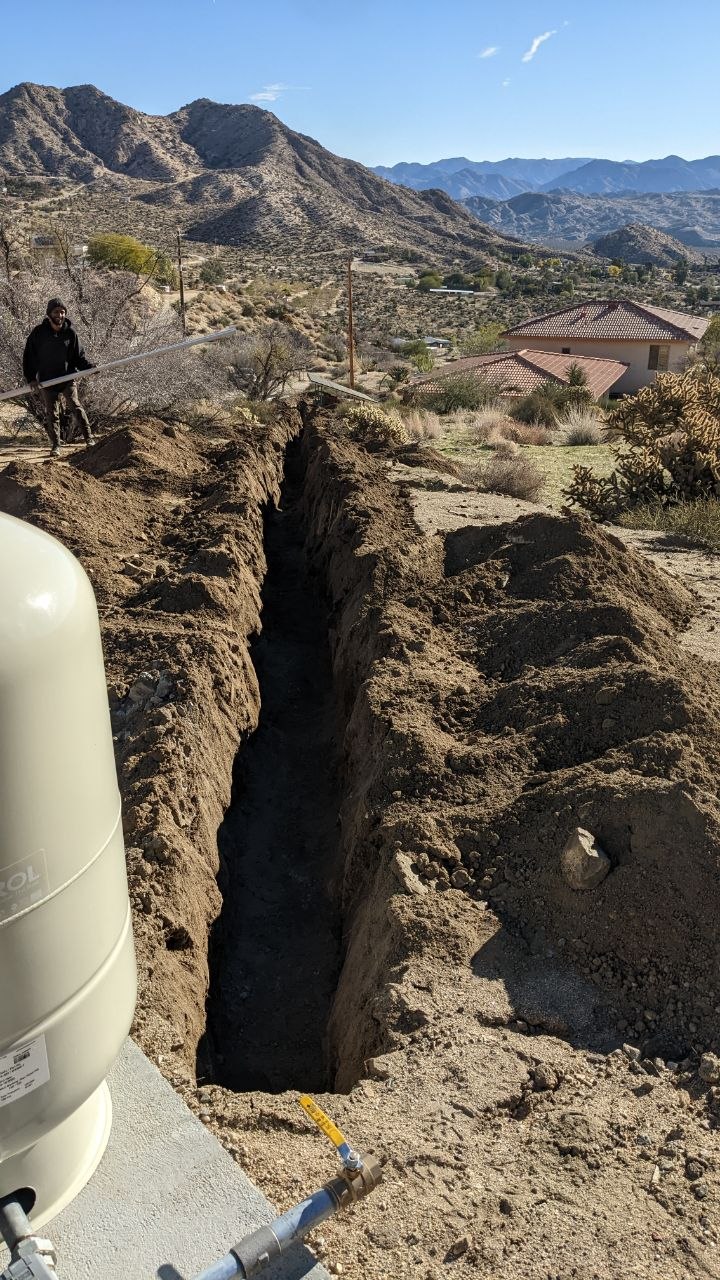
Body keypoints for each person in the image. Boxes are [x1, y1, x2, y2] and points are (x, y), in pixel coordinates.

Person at [23, 299, 95, 456]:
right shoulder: (39, 333)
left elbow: (79, 357)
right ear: (49, 314)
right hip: (47, 380)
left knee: (75, 406)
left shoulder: (70, 333)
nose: (60, 315)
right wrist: (31, 378)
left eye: (62, 312)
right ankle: (56, 446)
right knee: (52, 413)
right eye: (56, 312)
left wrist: (89, 368)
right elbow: (29, 356)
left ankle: (89, 439)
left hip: (67, 377)